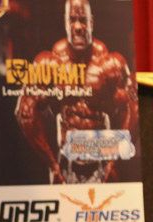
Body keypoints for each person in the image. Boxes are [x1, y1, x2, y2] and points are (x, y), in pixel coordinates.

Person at [15, 0, 139, 183]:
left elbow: (134, 108)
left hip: (104, 161)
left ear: (92, 22)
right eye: (72, 20)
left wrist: (114, 161)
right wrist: (52, 165)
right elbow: (25, 113)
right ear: (65, 23)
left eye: (83, 20)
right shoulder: (50, 62)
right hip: (66, 164)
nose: (78, 27)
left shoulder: (111, 64)